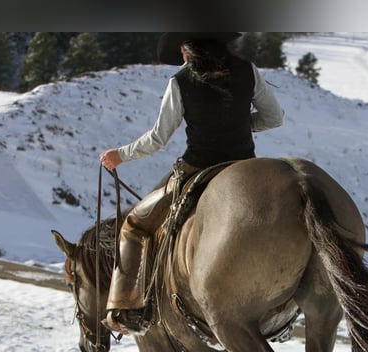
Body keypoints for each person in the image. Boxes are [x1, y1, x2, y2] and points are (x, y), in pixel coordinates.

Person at [100, 32, 284, 335]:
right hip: (244, 167)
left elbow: (158, 138)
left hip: (197, 168)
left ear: (186, 49)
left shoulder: (180, 82)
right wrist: (239, 122)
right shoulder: (247, 70)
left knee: (135, 225)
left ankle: (126, 307)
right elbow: (274, 118)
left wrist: (119, 155)